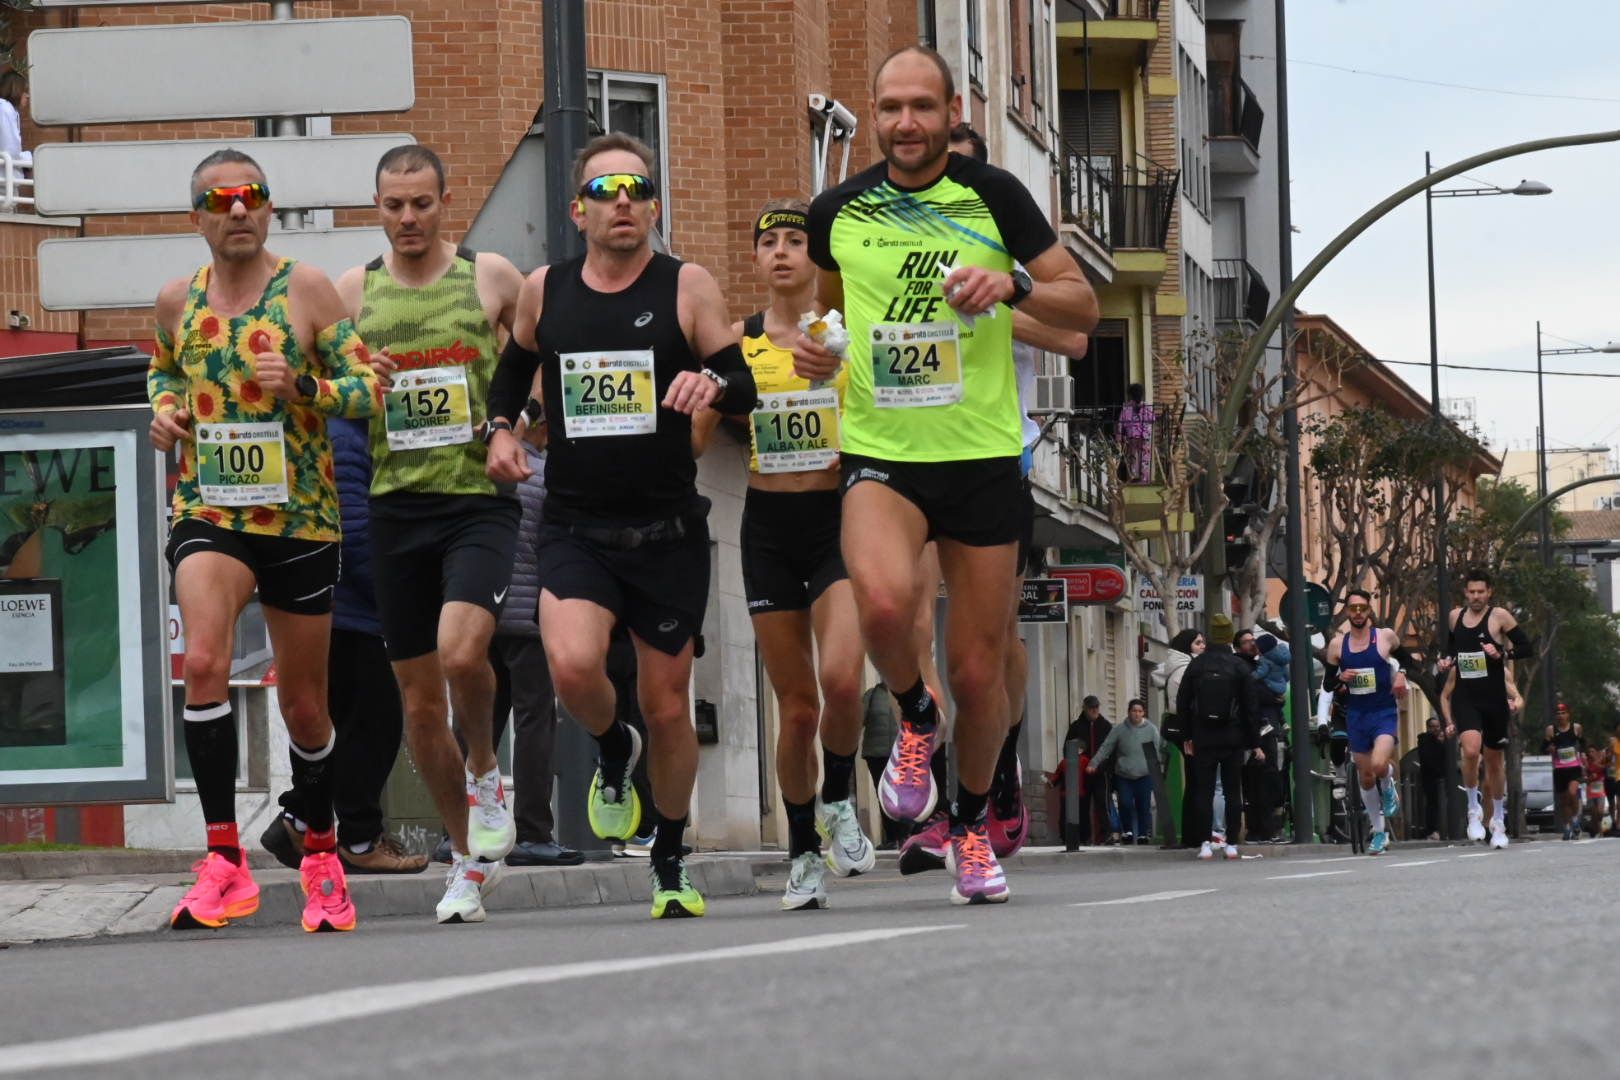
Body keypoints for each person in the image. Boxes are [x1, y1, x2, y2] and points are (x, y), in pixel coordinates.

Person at [795, 45, 1097, 905]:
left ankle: (969, 828)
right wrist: (821, 350)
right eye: (890, 107)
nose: (905, 123)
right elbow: (830, 309)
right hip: (881, 449)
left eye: (922, 106)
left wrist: (1011, 283)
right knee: (884, 604)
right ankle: (914, 721)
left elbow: (1081, 306)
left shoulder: (994, 197)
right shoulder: (838, 211)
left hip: (980, 457)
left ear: (949, 106)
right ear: (876, 111)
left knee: (978, 672)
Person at [484, 132, 758, 920]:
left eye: (636, 188)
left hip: (666, 531)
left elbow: (741, 378)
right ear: (579, 212)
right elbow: (512, 365)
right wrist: (502, 427)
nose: (623, 202)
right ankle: (612, 748)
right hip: (575, 523)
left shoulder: (686, 285)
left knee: (669, 705)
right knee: (572, 670)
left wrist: (710, 382)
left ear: (655, 205)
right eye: (605, 192)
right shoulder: (546, 289)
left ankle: (669, 858)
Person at [149, 149, 382, 932]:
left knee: (306, 704)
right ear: (198, 218)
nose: (238, 209)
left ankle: (320, 848)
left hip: (299, 516)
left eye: (251, 196)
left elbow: (367, 389)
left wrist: (305, 387)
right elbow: (164, 374)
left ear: (269, 208)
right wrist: (166, 414)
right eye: (222, 200)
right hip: (210, 507)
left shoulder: (306, 290)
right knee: (207, 661)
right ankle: (223, 861)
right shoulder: (175, 301)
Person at [333, 145, 524, 924]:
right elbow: (326, 395)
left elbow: (534, 365)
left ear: (447, 200)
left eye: (421, 203)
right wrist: (353, 385)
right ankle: (467, 862)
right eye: (393, 206)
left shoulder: (492, 278)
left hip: (476, 503)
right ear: (377, 207)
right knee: (417, 711)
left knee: (461, 651)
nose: (408, 219)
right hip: (394, 510)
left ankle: (485, 766)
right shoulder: (354, 292)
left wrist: (521, 428)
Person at [896, 123, 1090, 873]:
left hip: (996, 452)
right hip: (909, 450)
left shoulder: (1004, 243)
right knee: (910, 616)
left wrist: (999, 300)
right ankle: (941, 789)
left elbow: (1075, 341)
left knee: (990, 638)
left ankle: (998, 770)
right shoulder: (895, 243)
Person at [692, 198, 874, 912]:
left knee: (843, 680)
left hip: (835, 520)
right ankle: (803, 851)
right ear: (757, 258)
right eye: (768, 241)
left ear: (814, 258)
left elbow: (876, 409)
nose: (782, 252)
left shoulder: (842, 333)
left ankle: (837, 797)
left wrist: (837, 378)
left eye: (796, 240)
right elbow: (702, 427)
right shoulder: (736, 343)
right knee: (796, 709)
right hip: (768, 525)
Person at [261, 415, 427, 875]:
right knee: (375, 726)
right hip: (347, 610)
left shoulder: (340, 433)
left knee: (339, 729)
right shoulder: (345, 439)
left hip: (332, 609)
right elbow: (353, 532)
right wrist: (392, 597)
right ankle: (358, 838)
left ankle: (297, 819)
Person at [491, 401, 583, 868]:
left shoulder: (493, 461)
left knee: (478, 722)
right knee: (535, 722)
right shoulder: (545, 472)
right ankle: (532, 832)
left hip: (486, 612)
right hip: (529, 618)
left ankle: (463, 829)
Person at [1437, 569, 1527, 850]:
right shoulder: (1454, 617)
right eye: (1471, 591)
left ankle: (1498, 820)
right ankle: (1473, 809)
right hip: (1466, 697)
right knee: (1471, 750)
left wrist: (1503, 654)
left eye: (1480, 592)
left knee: (1494, 761)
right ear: (1465, 592)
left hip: (1493, 698)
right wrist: (1446, 660)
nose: (1475, 596)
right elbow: (1452, 647)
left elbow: (1526, 647)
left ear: (1489, 592)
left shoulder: (1500, 617)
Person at [1320, 590, 1406, 856]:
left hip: (1382, 713)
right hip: (1356, 716)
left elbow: (1408, 662)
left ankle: (1389, 783)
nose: (1358, 613)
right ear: (1347, 612)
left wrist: (1401, 674)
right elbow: (1327, 684)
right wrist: (1341, 678)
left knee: (1380, 765)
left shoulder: (1385, 637)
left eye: (1362, 608)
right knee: (1366, 777)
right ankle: (1378, 832)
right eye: (1353, 608)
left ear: (1369, 611)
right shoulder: (1337, 645)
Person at [1177, 614, 1262, 859]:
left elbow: (1183, 702)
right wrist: (1253, 741)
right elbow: (1250, 707)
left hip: (1203, 736)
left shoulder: (1197, 665)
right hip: (1232, 737)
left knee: (1203, 790)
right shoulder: (1239, 667)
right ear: (1228, 637)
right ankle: (1232, 843)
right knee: (1232, 790)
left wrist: (1187, 736)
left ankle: (1205, 843)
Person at [1154, 627, 1204, 848]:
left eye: (1203, 642)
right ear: (1186, 646)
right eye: (1198, 643)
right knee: (1195, 783)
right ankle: (1193, 834)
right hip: (1188, 732)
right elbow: (1181, 706)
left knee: (1195, 782)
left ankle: (1194, 834)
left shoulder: (1183, 667)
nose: (1203, 646)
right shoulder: (1184, 671)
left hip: (1186, 731)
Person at [1087, 699, 1161, 844]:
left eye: (1140, 711)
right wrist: (1093, 763)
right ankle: (1127, 831)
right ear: (1128, 712)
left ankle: (1142, 834)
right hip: (1124, 775)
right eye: (1134, 711)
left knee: (1143, 805)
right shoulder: (1119, 729)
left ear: (1143, 713)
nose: (1137, 714)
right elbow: (1106, 747)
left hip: (1144, 775)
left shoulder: (1151, 730)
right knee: (1125, 803)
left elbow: (1157, 752)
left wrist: (1158, 773)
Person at [1244, 632, 1289, 843]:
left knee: (1269, 777)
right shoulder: (1267, 664)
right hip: (1267, 730)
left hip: (1266, 730)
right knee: (1267, 778)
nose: (1251, 644)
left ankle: (1269, 827)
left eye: (1253, 640)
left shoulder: (1259, 669)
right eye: (1246, 641)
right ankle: (1268, 827)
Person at [861, 683, 905, 848]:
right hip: (876, 754)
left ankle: (904, 836)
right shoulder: (872, 695)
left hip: (900, 753)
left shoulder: (905, 692)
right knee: (884, 796)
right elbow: (860, 718)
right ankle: (892, 837)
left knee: (901, 796)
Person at [1543, 703, 1585, 841]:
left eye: (1563, 713)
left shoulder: (1576, 728)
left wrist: (1583, 755)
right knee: (1564, 801)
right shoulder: (1551, 730)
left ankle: (1574, 820)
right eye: (1558, 713)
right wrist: (1549, 748)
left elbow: (1583, 743)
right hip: (1559, 769)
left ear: (1568, 715)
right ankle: (1567, 828)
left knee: (1572, 793)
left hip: (1574, 767)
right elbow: (1543, 747)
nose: (1560, 716)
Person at [1417, 716, 1447, 841]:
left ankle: (1438, 829)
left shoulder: (1438, 741)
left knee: (1437, 804)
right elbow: (1428, 759)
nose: (1435, 729)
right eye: (1432, 726)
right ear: (1428, 728)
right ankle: (1432, 830)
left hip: (1438, 777)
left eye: (1437, 726)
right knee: (1432, 804)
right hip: (1430, 777)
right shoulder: (1425, 741)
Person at [1116, 382, 1154, 482]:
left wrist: (1119, 439)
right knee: (1144, 460)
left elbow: (1120, 424)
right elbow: (1152, 419)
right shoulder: (1147, 407)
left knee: (1132, 459)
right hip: (1144, 437)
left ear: (1131, 395)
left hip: (1132, 437)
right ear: (1141, 394)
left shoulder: (1126, 407)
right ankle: (1144, 479)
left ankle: (1132, 478)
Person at [0, 71, 30, 169]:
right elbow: (10, 150)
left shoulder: (8, 109)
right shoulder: (4, 109)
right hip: (5, 177)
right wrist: (30, 157)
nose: (28, 96)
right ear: (15, 90)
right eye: (25, 91)